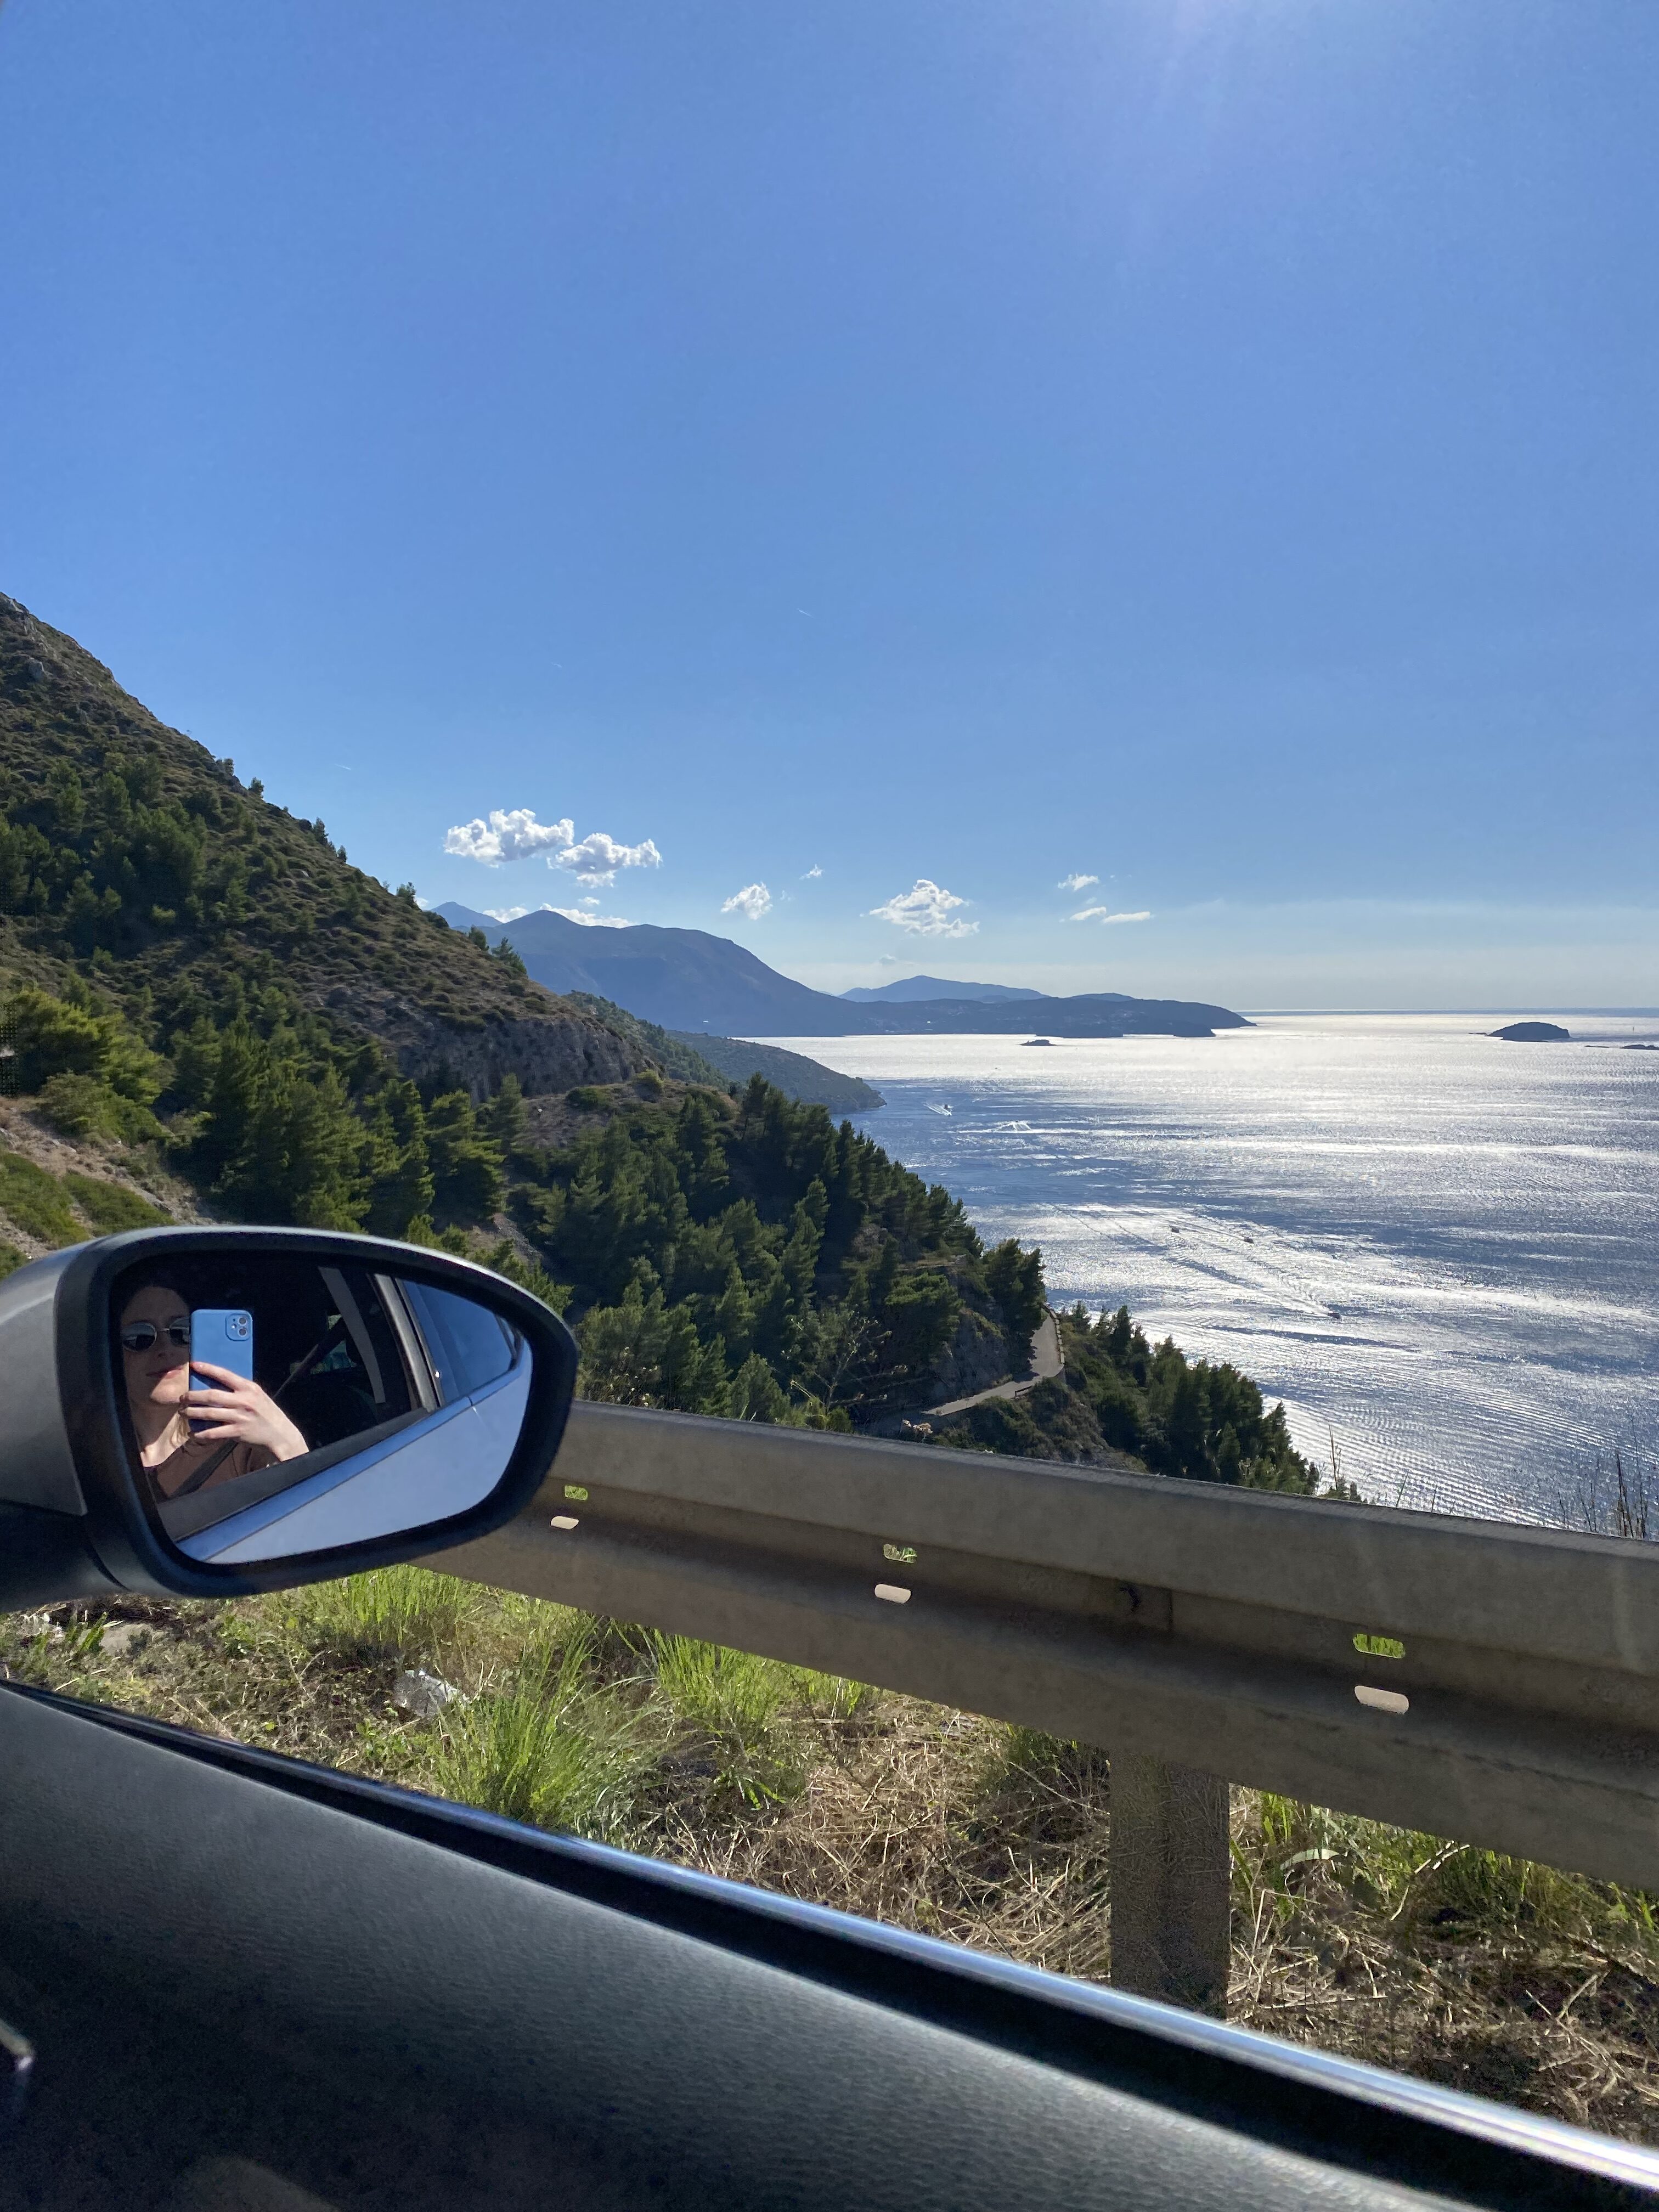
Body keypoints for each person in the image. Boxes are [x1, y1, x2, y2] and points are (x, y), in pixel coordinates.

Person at [119, 1279, 309, 1500]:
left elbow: (307, 1522)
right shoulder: (95, 1455)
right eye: (140, 1337)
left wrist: (287, 1443)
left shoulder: (243, 1443)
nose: (166, 1349)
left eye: (182, 1331)